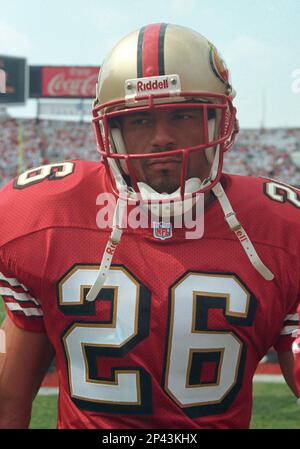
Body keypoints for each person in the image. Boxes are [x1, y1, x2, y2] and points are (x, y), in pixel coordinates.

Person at [0, 22, 299, 430]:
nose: (162, 138)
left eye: (182, 115)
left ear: (220, 122)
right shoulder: (43, 217)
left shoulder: (283, 229)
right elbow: (8, 402)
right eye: (140, 120)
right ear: (112, 131)